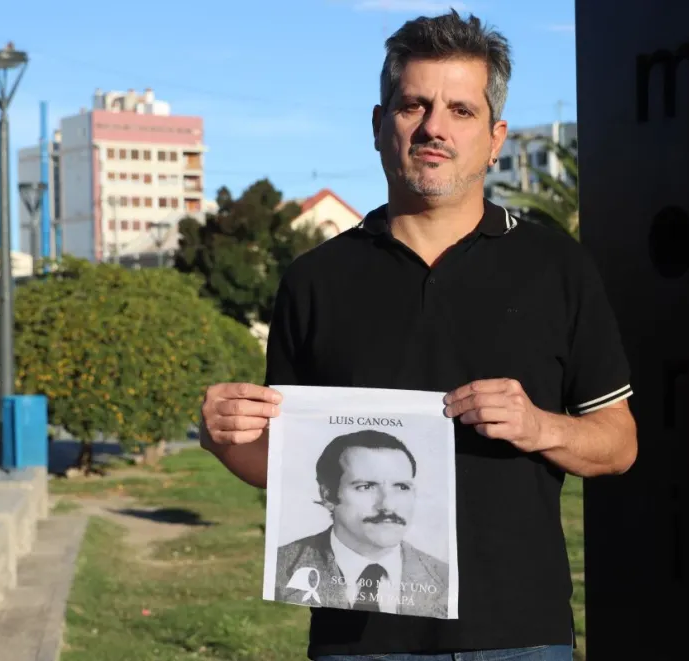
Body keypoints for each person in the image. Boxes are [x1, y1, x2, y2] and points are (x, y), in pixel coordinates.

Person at [200, 9, 638, 661]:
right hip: (360, 639)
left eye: (461, 110)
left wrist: (539, 426)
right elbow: (293, 471)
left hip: (519, 635)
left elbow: (619, 444)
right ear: (380, 125)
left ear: (495, 138)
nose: (435, 127)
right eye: (414, 106)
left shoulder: (556, 266)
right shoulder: (315, 280)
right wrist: (223, 438)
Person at [274, 429, 449, 618]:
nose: (387, 505)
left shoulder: (445, 578)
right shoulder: (279, 567)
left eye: (401, 487)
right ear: (328, 496)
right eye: (365, 487)